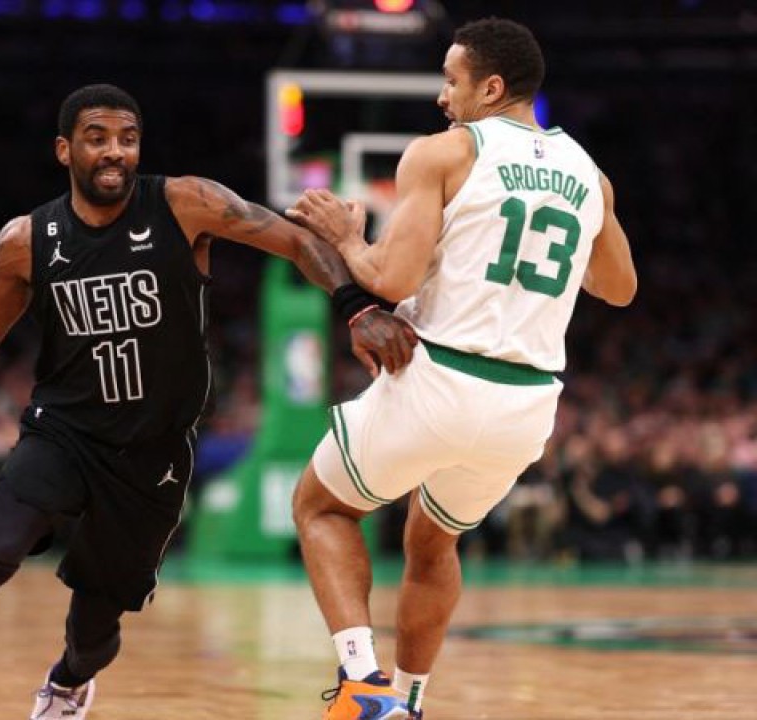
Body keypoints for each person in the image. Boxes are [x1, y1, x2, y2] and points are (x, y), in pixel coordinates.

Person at [0, 83, 418, 720]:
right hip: (63, 433)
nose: (115, 152)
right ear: (64, 149)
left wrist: (356, 309)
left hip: (153, 453)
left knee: (93, 629)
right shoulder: (27, 240)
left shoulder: (187, 203)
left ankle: (68, 683)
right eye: (98, 138)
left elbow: (297, 240)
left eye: (127, 139)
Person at [284, 18, 637, 720]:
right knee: (432, 536)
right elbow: (620, 287)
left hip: (439, 374)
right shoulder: (588, 174)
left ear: (492, 86)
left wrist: (349, 237)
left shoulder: (444, 153)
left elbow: (391, 275)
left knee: (321, 506)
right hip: (527, 405)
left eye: (452, 80)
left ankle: (362, 685)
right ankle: (410, 702)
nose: (444, 95)